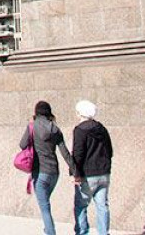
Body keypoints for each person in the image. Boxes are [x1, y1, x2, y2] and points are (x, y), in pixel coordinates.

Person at [20, 101, 74, 235]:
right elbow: (65, 152)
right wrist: (74, 170)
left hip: (40, 172)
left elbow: (22, 145)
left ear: (36, 112)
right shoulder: (55, 129)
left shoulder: (32, 126)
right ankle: (47, 229)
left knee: (45, 208)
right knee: (45, 204)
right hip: (54, 172)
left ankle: (50, 231)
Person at [72, 100, 113, 235]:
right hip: (104, 173)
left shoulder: (79, 130)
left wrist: (76, 174)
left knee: (81, 205)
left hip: (87, 174)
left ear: (80, 113)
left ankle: (82, 232)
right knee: (102, 206)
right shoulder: (102, 128)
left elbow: (78, 154)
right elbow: (110, 151)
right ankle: (104, 233)